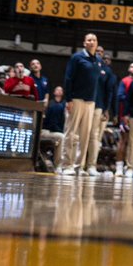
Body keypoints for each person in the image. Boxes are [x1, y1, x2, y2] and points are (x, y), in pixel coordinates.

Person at [62, 32, 103, 176]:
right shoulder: (77, 58)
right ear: (84, 43)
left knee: (85, 136)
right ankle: (67, 165)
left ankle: (79, 166)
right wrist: (68, 99)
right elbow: (68, 78)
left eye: (94, 40)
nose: (92, 42)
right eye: (89, 40)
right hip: (76, 100)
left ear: (96, 43)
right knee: (71, 133)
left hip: (90, 102)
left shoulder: (98, 60)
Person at [42, 86, 67, 170]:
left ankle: (67, 164)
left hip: (58, 130)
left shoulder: (65, 105)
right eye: (57, 90)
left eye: (61, 90)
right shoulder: (51, 105)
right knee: (61, 137)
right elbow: (51, 124)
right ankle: (58, 165)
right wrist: (61, 131)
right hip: (48, 130)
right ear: (54, 92)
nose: (59, 91)